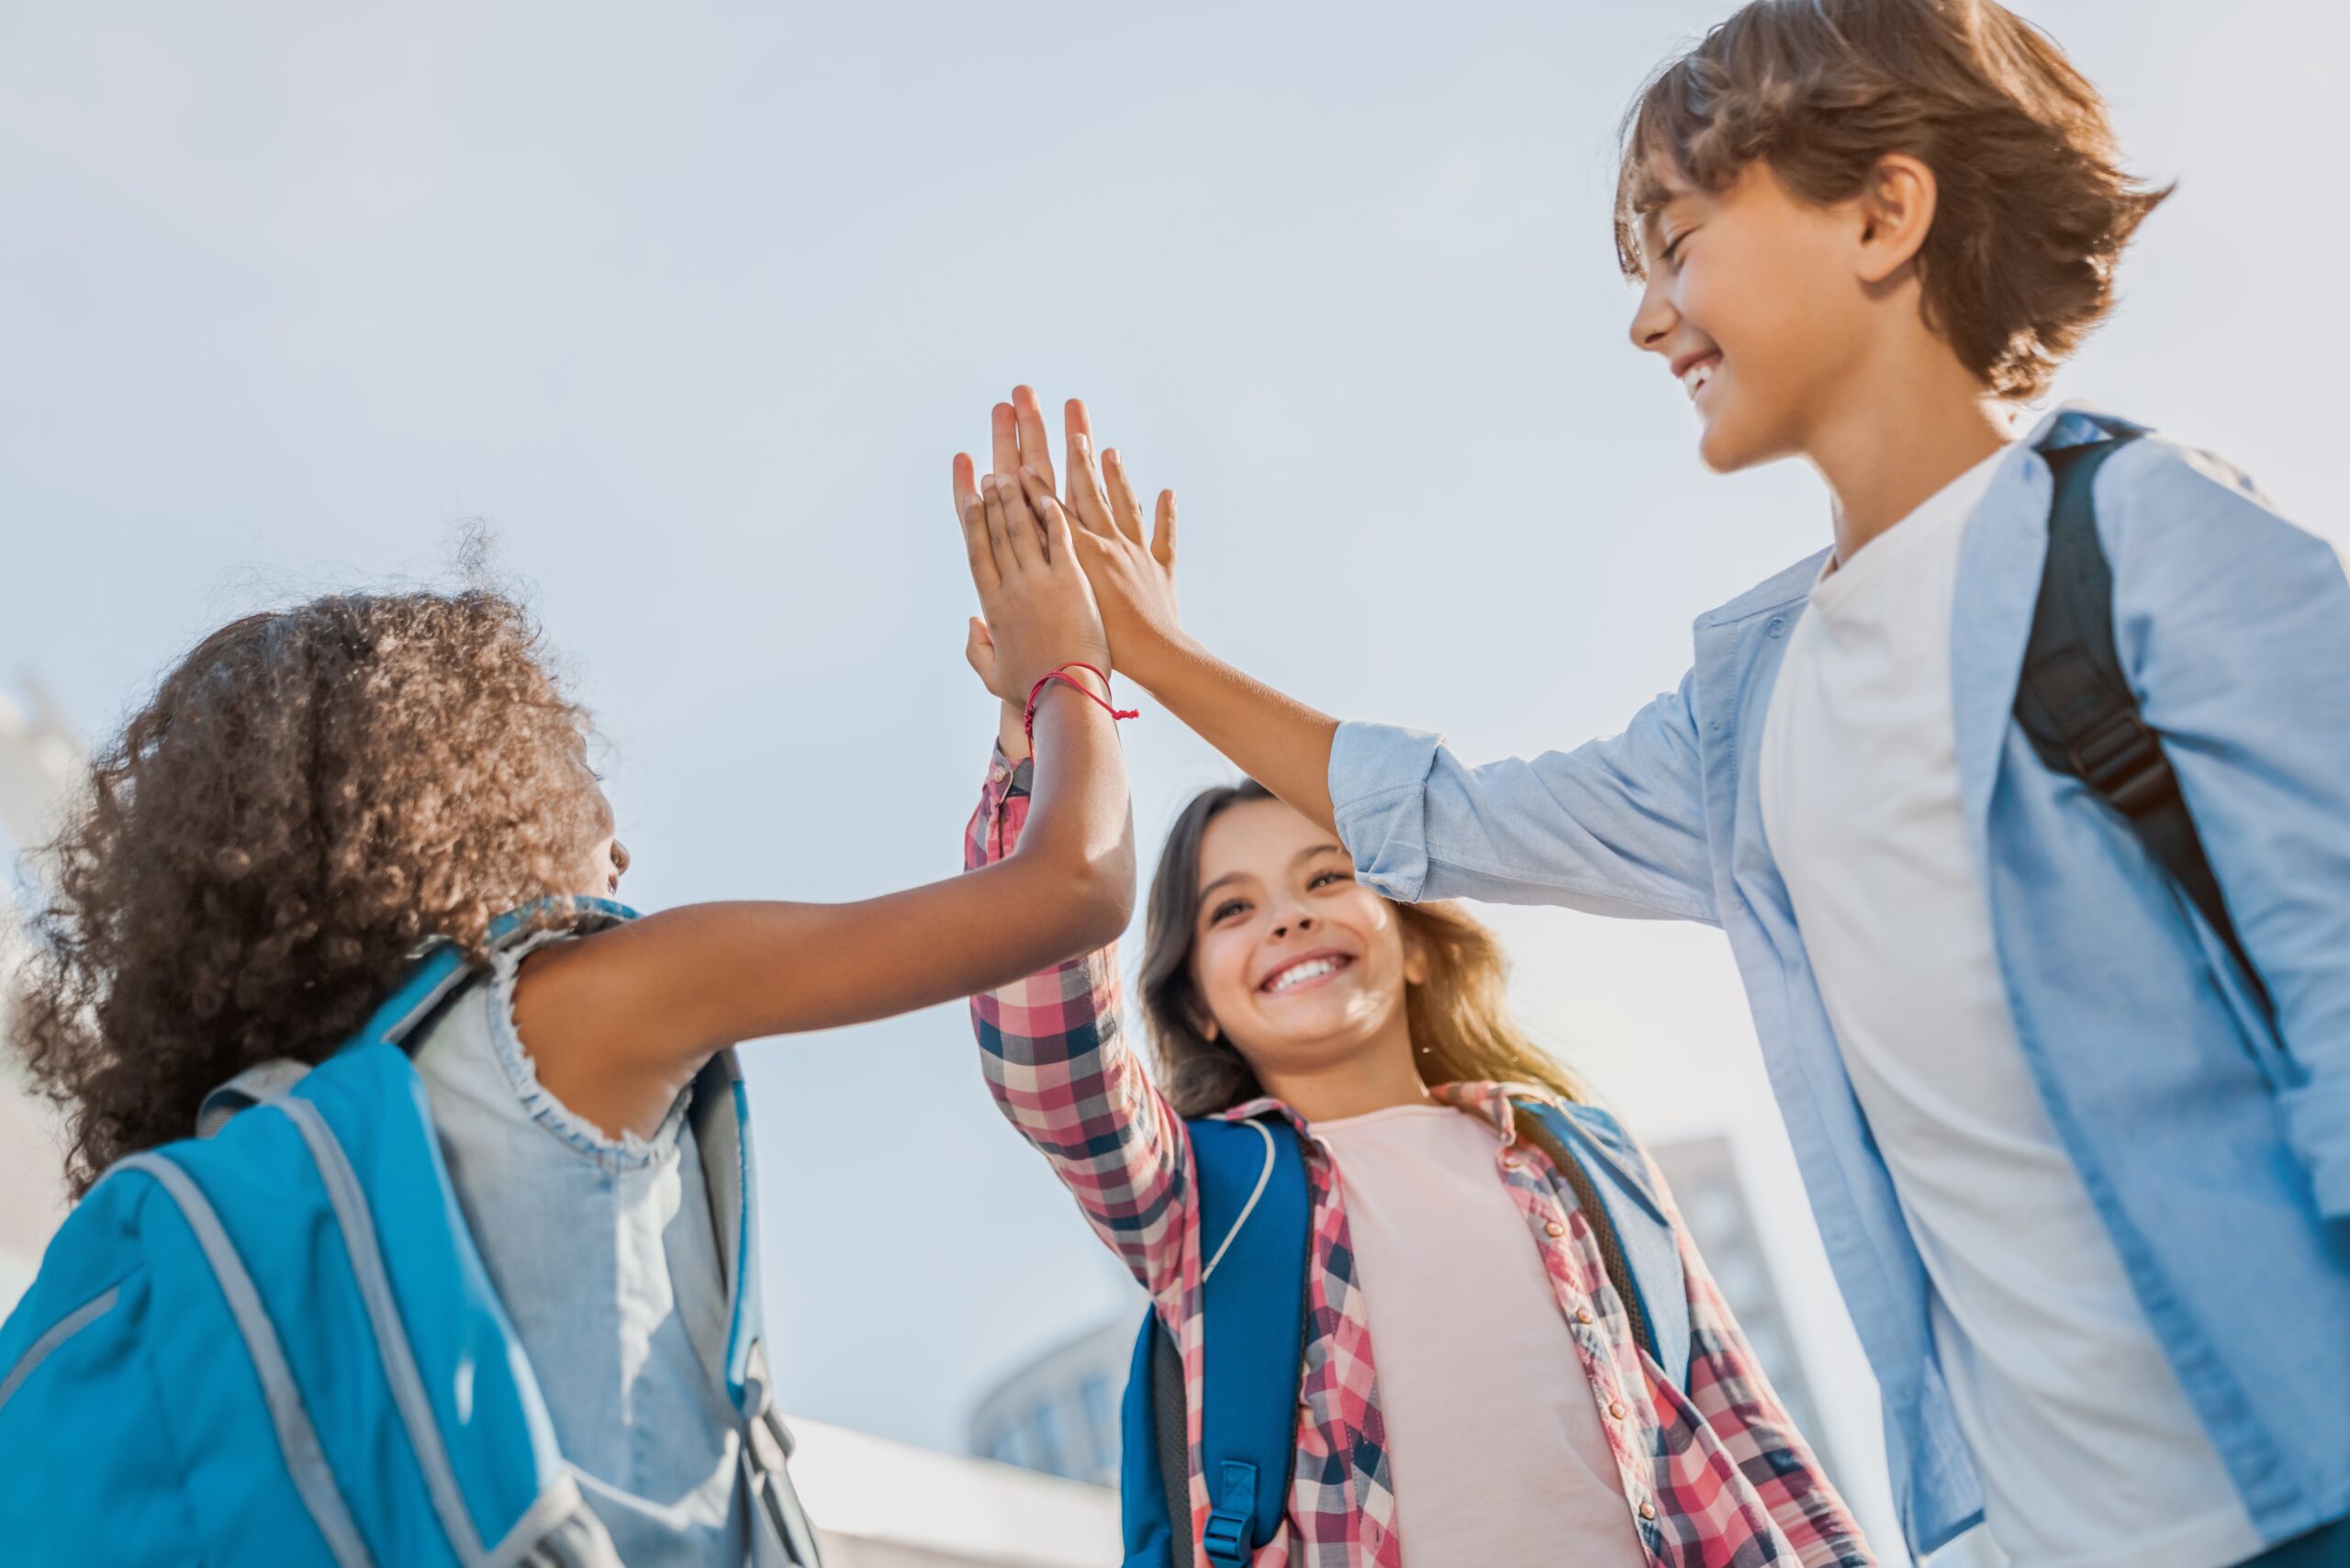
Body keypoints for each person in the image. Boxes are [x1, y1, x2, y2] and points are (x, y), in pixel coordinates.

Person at [979, 1, 2350, 1562]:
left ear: (1882, 216)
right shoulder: (1744, 719)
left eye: (1680, 242)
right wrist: (1148, 660)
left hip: (2297, 1483)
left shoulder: (2147, 542)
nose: (1649, 317)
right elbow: (1445, 810)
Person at [9, 489, 1132, 1566]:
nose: (619, 848)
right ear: (473, 789)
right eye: (579, 776)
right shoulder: (574, 1006)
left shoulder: (286, 1149)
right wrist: (1066, 667)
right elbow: (1074, 886)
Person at [955, 402, 1874, 1567]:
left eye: (1326, 875)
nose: (1287, 913)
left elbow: (1750, 1450)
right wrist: (1050, 709)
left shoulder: (1578, 1162)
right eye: (1231, 909)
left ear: (1421, 935)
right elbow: (1051, 1062)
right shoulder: (1211, 1198)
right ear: (1194, 1000)